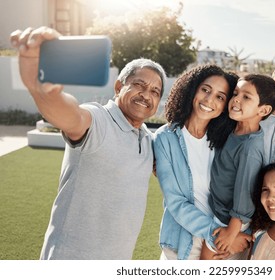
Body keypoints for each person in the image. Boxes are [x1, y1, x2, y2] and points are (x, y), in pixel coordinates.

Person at [10, 26, 167, 259]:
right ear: (118, 87)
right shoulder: (99, 120)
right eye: (139, 85)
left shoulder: (147, 139)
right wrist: (44, 90)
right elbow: (70, 115)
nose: (147, 95)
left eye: (155, 91)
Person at [153, 64, 251, 260]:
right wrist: (219, 236)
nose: (209, 100)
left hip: (226, 245)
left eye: (220, 97)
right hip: (187, 243)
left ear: (226, 105)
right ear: (193, 89)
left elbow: (242, 191)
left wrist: (231, 235)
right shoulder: (166, 138)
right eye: (205, 90)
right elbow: (176, 202)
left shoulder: (226, 140)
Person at [200, 74, 275, 260]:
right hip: (218, 212)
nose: (236, 99)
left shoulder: (249, 147)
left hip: (230, 219)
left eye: (246, 97)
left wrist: (231, 232)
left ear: (264, 110)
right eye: (236, 93)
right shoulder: (232, 130)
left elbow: (245, 192)